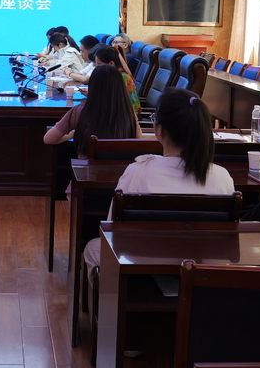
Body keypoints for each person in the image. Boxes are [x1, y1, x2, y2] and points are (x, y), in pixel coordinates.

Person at [81, 87, 235, 269]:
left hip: (140, 269)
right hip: (200, 272)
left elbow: (111, 232)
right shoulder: (222, 177)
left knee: (92, 248)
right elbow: (228, 239)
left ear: (159, 130)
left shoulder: (137, 172)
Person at [44, 64, 141, 159]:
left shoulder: (80, 111)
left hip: (87, 168)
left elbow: (48, 139)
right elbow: (139, 141)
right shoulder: (129, 112)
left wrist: (73, 134)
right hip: (122, 168)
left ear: (92, 85)